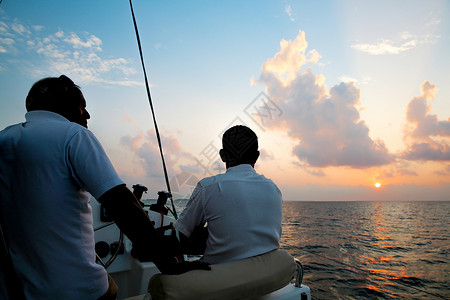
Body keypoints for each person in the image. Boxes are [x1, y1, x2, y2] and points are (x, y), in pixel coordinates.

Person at [0, 75, 208, 300]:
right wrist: (168, 265)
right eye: (82, 107)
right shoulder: (74, 135)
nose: (87, 115)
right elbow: (121, 203)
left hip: (21, 290)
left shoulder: (4, 139)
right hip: (78, 289)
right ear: (65, 105)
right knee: (112, 288)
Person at [175, 125, 283, 264]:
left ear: (222, 155)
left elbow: (180, 236)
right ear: (256, 156)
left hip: (220, 280)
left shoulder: (208, 187)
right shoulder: (274, 189)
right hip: (266, 278)